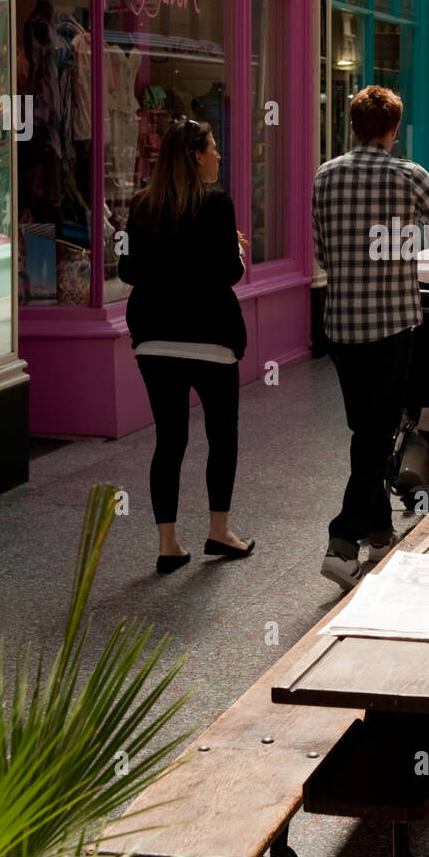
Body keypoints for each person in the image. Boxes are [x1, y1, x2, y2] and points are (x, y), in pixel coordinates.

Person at [312, 85, 429, 591]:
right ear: (393, 129)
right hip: (390, 328)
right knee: (375, 435)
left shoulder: (325, 175)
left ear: (352, 126)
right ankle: (342, 542)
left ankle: (381, 536)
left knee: (366, 431)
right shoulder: (408, 176)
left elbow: (321, 253)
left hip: (341, 327)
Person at [118, 120, 253, 574]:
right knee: (223, 435)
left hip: (155, 340)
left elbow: (129, 270)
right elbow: (228, 274)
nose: (218, 155)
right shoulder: (217, 204)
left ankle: (168, 543)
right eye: (213, 148)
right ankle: (219, 531)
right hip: (210, 338)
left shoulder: (142, 205)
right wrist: (235, 250)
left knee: (169, 440)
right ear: (196, 156)